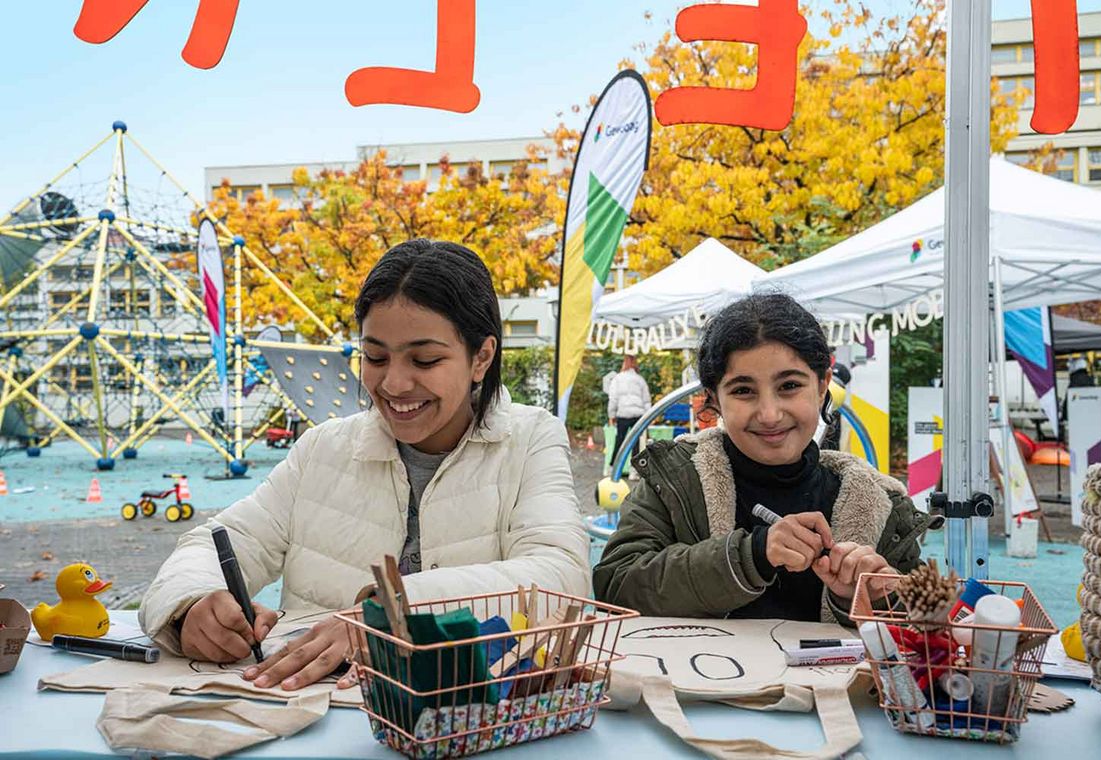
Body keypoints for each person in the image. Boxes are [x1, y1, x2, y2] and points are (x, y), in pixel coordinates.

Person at [138, 239, 590, 691]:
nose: (393, 383)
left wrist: (392, 616)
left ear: (482, 357)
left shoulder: (530, 440)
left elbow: (561, 576)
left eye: (425, 359)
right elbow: (216, 544)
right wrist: (191, 606)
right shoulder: (322, 450)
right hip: (312, 723)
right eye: (374, 357)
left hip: (469, 725)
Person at [593, 293, 941, 624]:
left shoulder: (879, 503)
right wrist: (752, 555)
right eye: (743, 391)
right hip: (695, 687)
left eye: (789, 386)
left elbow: (929, 627)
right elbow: (617, 585)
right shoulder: (675, 480)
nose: (770, 413)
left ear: (822, 387)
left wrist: (874, 598)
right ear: (713, 399)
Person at [607, 354, 652, 473]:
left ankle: (613, 468)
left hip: (623, 414)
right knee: (636, 443)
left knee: (620, 441)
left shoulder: (617, 378)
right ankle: (634, 471)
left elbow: (613, 399)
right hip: (639, 415)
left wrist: (611, 415)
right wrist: (648, 417)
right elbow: (646, 400)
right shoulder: (640, 379)